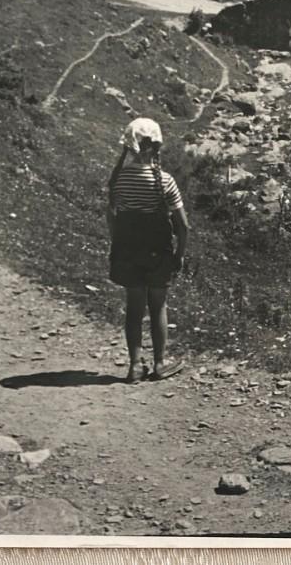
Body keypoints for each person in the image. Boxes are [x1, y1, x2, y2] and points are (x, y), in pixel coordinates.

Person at [106, 117, 190, 383]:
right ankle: (159, 364)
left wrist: (117, 242)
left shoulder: (118, 179)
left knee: (134, 308)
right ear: (156, 146)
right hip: (158, 251)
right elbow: (183, 225)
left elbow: (112, 216)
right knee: (158, 306)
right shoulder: (165, 180)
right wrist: (180, 254)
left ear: (128, 146)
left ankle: (133, 365)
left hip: (128, 249)